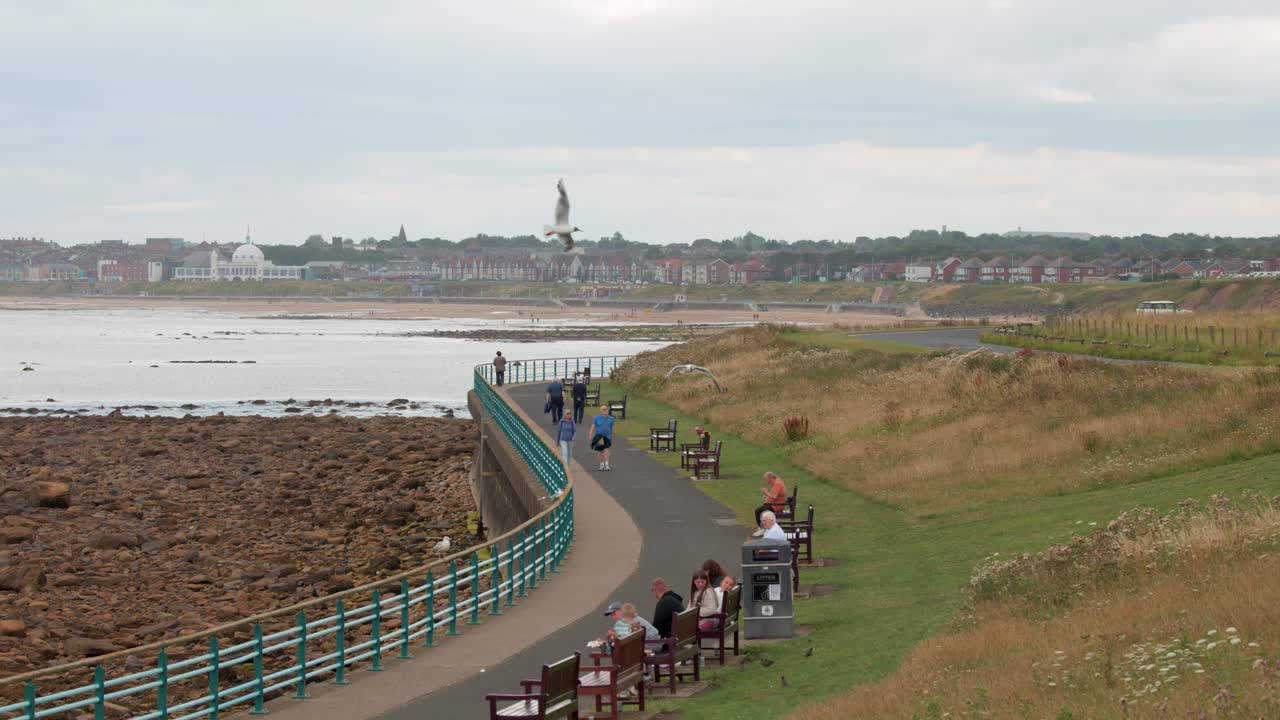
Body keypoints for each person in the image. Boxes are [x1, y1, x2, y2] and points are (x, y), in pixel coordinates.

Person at [591, 404, 615, 471]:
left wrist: (612, 436)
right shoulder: (596, 418)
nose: (605, 411)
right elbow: (593, 426)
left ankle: (607, 465)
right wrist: (590, 434)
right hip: (599, 436)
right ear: (601, 411)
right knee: (600, 451)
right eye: (603, 410)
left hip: (607, 436)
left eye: (606, 409)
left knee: (607, 450)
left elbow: (612, 428)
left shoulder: (611, 418)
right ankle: (601, 464)